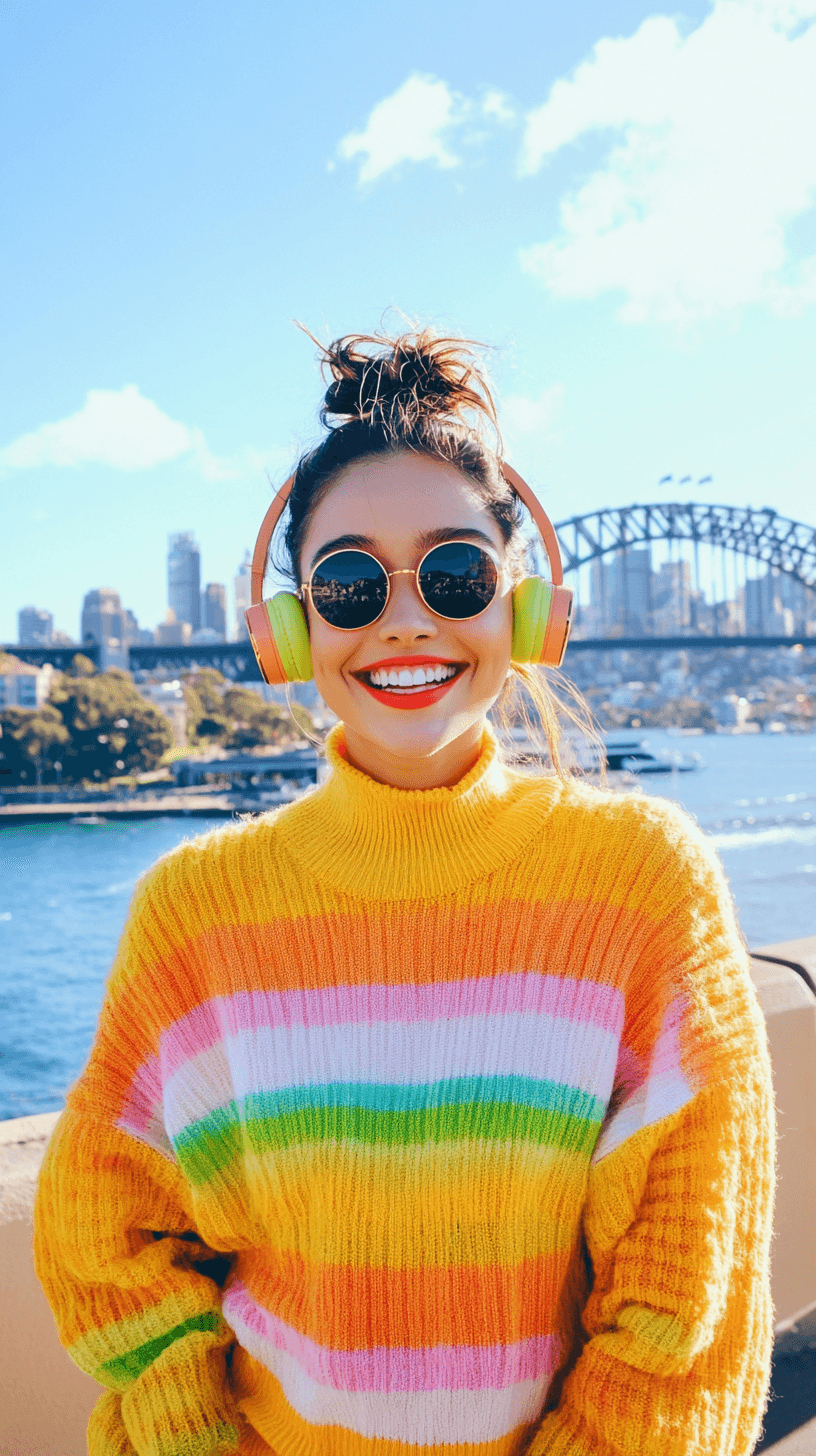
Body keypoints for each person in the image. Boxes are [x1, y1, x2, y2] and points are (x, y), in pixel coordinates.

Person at [35, 326, 775, 1456]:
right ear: (288, 631)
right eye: (345, 583)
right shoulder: (197, 908)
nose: (405, 618)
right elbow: (105, 1228)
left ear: (523, 605)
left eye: (455, 572)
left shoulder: (642, 883)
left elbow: (688, 1288)